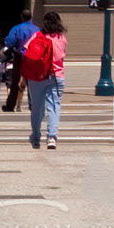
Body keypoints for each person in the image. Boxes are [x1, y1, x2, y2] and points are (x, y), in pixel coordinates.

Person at [23, 11, 66, 150]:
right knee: (54, 107)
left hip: (37, 76)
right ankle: (52, 137)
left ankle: (36, 136)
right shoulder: (61, 38)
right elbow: (61, 57)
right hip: (56, 76)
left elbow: (26, 53)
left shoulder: (37, 36)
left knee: (37, 107)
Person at [3, 9, 39, 113]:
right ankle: (33, 105)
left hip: (19, 57)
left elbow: (9, 42)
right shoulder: (37, 29)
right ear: (31, 17)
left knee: (15, 82)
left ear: (21, 17)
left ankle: (10, 106)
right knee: (31, 82)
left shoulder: (17, 28)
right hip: (33, 58)